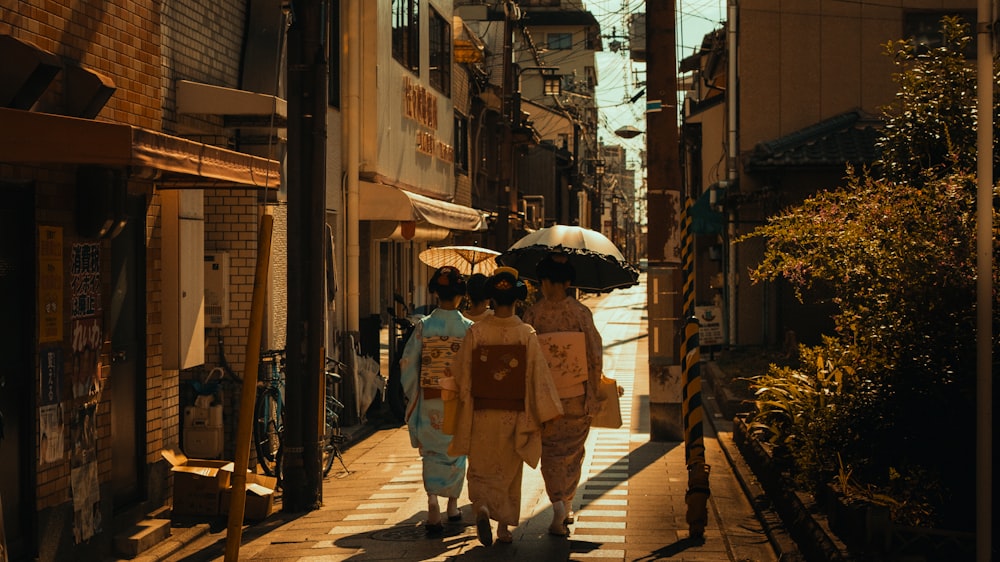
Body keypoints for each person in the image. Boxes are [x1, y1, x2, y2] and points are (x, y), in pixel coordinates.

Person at [448, 267, 564, 546]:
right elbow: (538, 378)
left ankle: (482, 508)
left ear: (492, 299)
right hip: (514, 414)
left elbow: (462, 373)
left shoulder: (477, 332)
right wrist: (546, 412)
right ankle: (502, 528)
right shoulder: (526, 333)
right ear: (516, 300)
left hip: (482, 413)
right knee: (508, 473)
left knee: (482, 466)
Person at [522, 253, 604, 536]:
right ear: (569, 281)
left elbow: (526, 357)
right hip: (576, 395)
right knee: (572, 452)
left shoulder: (533, 314)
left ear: (543, 281)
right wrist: (593, 391)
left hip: (544, 397)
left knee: (551, 452)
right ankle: (566, 503)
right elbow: (594, 354)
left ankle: (557, 501)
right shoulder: (580, 313)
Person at [399, 266, 472, 534]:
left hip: (430, 398)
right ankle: (452, 505)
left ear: (436, 294)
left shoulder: (424, 326)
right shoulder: (469, 329)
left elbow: (407, 363)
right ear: (461, 296)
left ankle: (432, 501)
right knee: (456, 451)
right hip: (457, 400)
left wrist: (414, 392)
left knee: (431, 453)